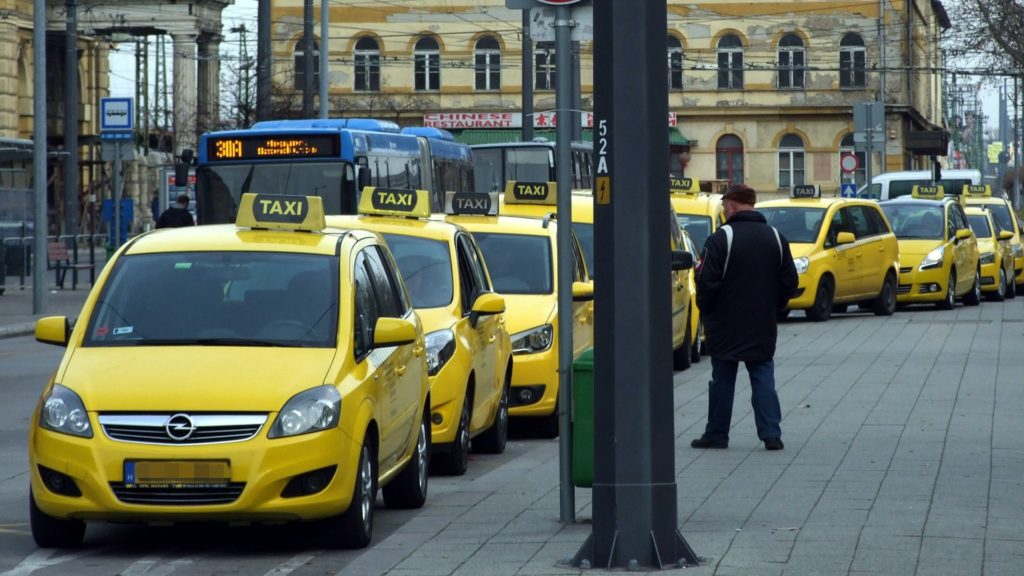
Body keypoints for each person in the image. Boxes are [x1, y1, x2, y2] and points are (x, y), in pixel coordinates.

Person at [692, 184, 799, 451]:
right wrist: (775, 306)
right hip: (761, 321)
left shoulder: (721, 238)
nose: (724, 209)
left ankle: (717, 435)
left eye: (725, 205)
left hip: (725, 323)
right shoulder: (775, 237)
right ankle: (771, 434)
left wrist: (708, 311)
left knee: (722, 380)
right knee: (763, 376)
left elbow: (706, 282)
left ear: (732, 205)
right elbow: (790, 281)